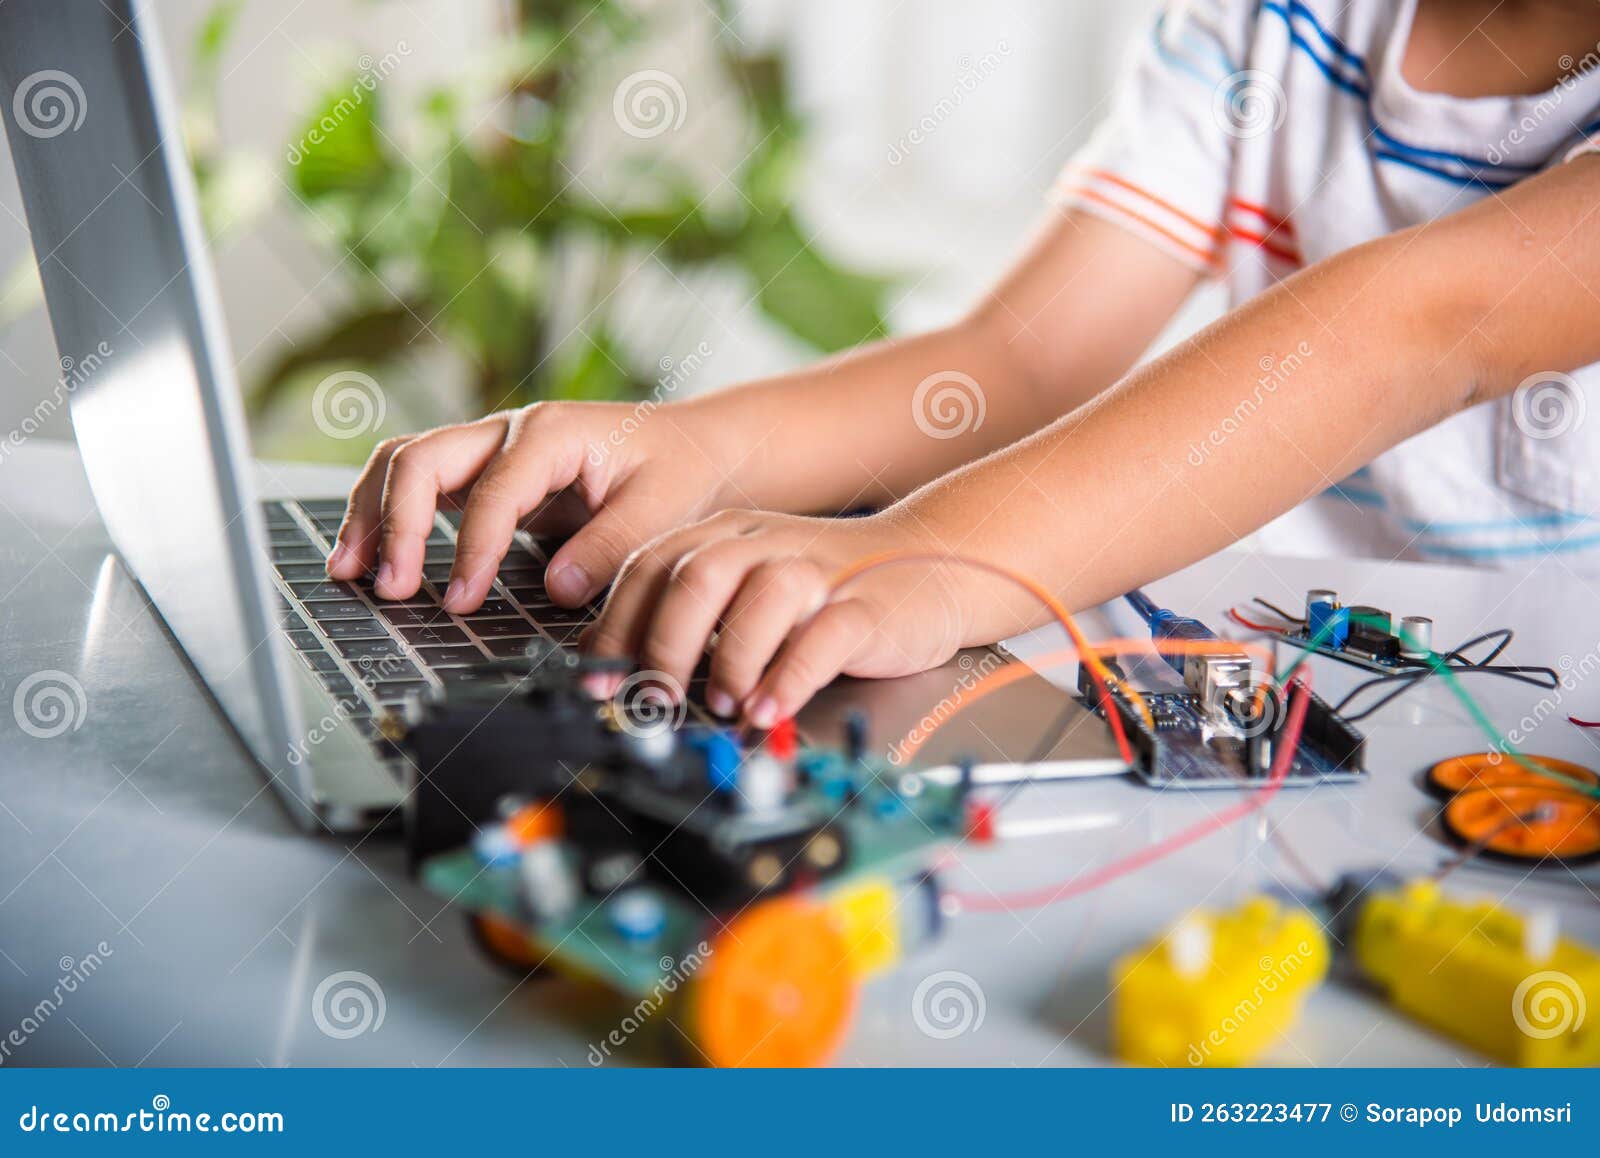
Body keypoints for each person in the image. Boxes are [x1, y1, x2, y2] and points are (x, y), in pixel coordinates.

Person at [327, 0, 1600, 728]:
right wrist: (702, 449)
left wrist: (933, 553)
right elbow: (1021, 355)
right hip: (1270, 702)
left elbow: (1427, 324)